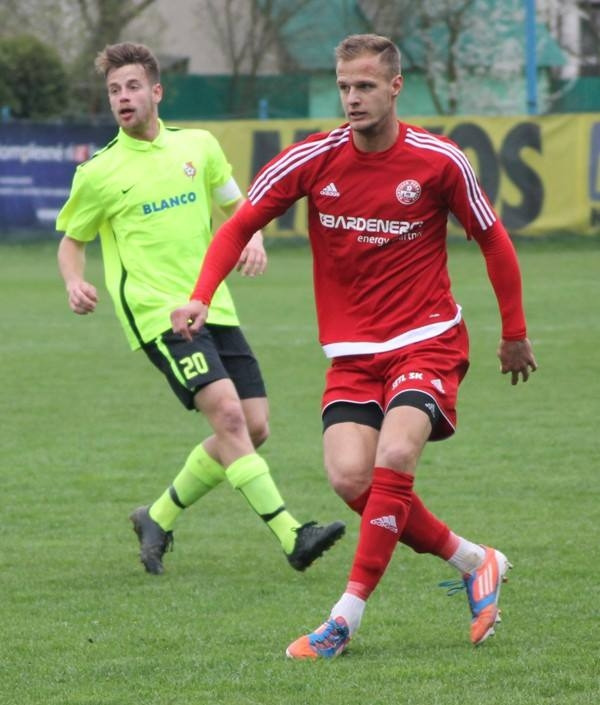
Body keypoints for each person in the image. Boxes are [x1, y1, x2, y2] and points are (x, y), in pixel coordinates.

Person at [170, 34, 538, 658]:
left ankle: (344, 618)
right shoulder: (312, 158)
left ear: (395, 87)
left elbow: (493, 239)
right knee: (349, 478)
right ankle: (476, 561)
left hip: (426, 340)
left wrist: (514, 333)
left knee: (395, 454)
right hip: (353, 355)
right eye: (344, 86)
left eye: (365, 85)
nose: (352, 98)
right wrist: (201, 295)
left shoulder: (439, 161)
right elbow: (239, 225)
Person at [56, 42, 345, 577]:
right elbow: (72, 241)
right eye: (114, 90)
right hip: (157, 315)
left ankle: (157, 516)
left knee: (254, 427)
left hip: (213, 306)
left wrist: (252, 236)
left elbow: (240, 208)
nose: (123, 97)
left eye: (132, 86)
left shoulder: (199, 146)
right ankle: (292, 534)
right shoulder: (99, 172)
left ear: (156, 91)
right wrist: (75, 281)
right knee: (230, 418)